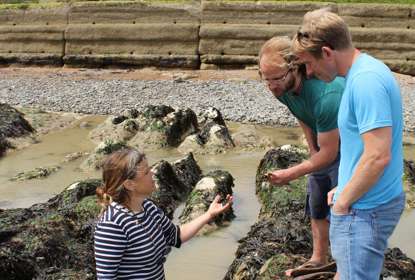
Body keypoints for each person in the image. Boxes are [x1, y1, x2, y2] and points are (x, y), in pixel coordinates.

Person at [292, 9, 405, 280]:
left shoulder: (366, 82)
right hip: (362, 203)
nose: (308, 73)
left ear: (328, 53)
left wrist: (344, 203)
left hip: (364, 210)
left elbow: (378, 156)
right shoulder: (363, 72)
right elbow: (363, 149)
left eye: (308, 63)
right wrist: (344, 186)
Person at [258, 36, 344, 275]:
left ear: (296, 68)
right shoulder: (280, 88)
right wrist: (311, 149)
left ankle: (344, 262)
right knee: (316, 202)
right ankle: (318, 258)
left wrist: (291, 173)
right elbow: (301, 114)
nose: (271, 86)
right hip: (324, 143)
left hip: (350, 149)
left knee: (342, 206)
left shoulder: (325, 94)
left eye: (276, 78)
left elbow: (330, 153)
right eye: (266, 79)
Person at [94, 148, 233, 279]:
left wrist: (208, 214)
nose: (153, 173)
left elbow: (176, 236)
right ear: (129, 184)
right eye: (146, 172)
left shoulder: (148, 207)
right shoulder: (112, 225)